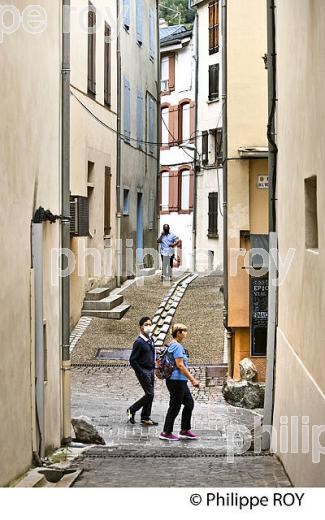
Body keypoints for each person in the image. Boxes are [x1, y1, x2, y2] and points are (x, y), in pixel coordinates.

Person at [159, 323, 200, 441]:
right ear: (178, 333)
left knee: (189, 403)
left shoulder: (173, 344)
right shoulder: (177, 346)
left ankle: (185, 430)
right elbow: (180, 365)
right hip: (176, 381)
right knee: (174, 407)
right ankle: (166, 432)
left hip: (180, 381)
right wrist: (193, 379)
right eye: (184, 331)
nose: (186, 333)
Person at [127, 317, 159, 426]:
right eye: (146, 324)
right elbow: (132, 360)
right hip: (143, 371)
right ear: (141, 327)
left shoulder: (150, 339)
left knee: (150, 394)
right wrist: (141, 372)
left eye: (150, 324)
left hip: (150, 370)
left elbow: (152, 353)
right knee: (150, 394)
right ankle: (132, 409)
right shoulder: (138, 342)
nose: (149, 326)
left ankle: (145, 417)